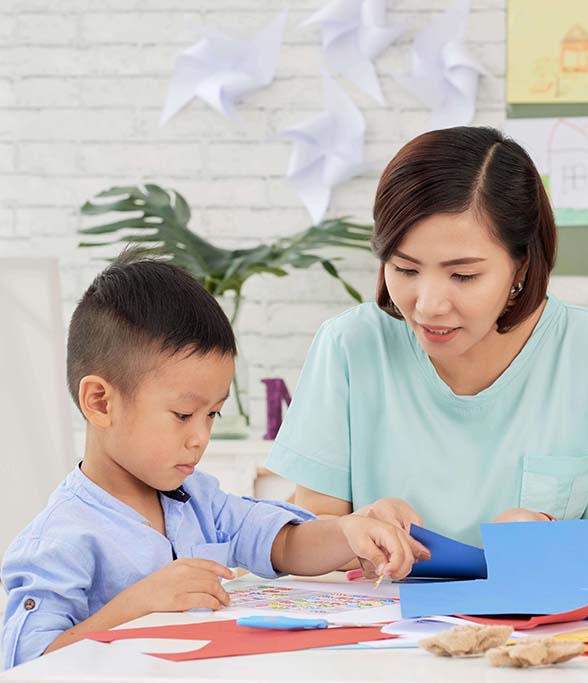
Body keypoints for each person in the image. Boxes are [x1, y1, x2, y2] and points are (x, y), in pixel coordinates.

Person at [265, 126, 588, 572]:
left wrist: (547, 533)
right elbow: (313, 528)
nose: (429, 305)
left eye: (463, 276)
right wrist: (360, 529)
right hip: (381, 630)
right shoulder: (349, 345)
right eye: (405, 268)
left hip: (530, 629)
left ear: (522, 263)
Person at [2, 255, 425, 669]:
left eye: (212, 414)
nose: (201, 437)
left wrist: (351, 532)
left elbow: (284, 544)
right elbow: (27, 663)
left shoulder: (198, 499)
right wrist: (138, 604)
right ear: (100, 402)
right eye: (184, 415)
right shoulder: (60, 539)